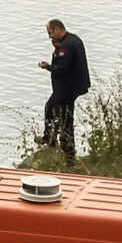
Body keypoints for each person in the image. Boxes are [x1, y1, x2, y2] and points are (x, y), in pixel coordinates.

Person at [38, 19, 89, 166]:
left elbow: (62, 69)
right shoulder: (74, 40)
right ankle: (53, 141)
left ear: (58, 29)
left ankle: (64, 153)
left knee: (62, 118)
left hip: (66, 90)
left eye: (51, 33)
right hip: (72, 88)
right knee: (55, 112)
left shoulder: (65, 46)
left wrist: (48, 66)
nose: (50, 37)